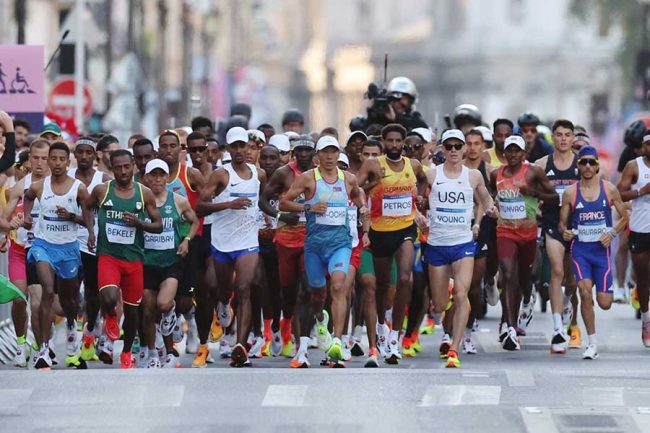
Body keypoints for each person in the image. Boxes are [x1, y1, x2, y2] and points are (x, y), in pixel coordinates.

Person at [280, 136, 369, 367]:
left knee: (339, 286)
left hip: (340, 244)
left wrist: (363, 210)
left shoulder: (348, 179)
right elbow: (284, 203)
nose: (330, 157)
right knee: (315, 295)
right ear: (317, 155)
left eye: (333, 152)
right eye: (325, 153)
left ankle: (337, 343)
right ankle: (314, 331)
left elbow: (358, 196)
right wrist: (308, 207)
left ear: (338, 154)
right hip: (314, 246)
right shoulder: (309, 178)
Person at [356, 123, 428, 364]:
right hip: (379, 230)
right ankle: (380, 325)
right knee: (383, 285)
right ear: (384, 143)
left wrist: (419, 196)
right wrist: (371, 185)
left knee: (406, 278)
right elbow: (354, 189)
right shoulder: (373, 165)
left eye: (399, 141)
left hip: (405, 228)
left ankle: (396, 336)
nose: (395, 145)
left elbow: (423, 180)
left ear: (404, 143)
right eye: (391, 141)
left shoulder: (413, 164)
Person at [426, 130, 498, 368]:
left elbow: (486, 199)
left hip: (463, 244)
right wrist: (418, 213)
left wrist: (490, 209)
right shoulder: (432, 175)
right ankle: (444, 295)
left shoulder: (474, 175)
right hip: (437, 244)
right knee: (438, 304)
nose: (455, 150)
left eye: (459, 146)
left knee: (461, 295)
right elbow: (415, 197)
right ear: (443, 150)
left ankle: (454, 349)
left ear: (464, 149)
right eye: (450, 146)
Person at [86, 149, 163, 368]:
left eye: (126, 167)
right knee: (109, 298)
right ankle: (111, 315)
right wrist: (91, 231)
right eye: (117, 167)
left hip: (134, 259)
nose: (122, 171)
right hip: (108, 256)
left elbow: (158, 225)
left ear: (133, 167)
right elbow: (86, 206)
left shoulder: (144, 193)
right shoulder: (102, 191)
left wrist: (140, 223)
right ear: (112, 168)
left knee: (132, 312)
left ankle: (127, 352)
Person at [198, 127, 267, 367]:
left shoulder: (258, 174)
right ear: (228, 149)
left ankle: (240, 346)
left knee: (245, 287)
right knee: (224, 290)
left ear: (249, 148)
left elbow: (263, 201)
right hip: (222, 242)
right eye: (234, 147)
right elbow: (200, 207)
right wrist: (229, 204)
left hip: (248, 241)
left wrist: (276, 216)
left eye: (243, 146)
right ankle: (224, 304)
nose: (239, 151)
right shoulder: (221, 175)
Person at [23, 142, 92, 369]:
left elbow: (88, 215)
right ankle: (43, 350)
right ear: (49, 160)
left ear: (68, 161)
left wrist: (80, 223)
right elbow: (28, 196)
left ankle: (72, 326)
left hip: (69, 248)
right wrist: (27, 217)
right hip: (43, 245)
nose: (58, 163)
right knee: (47, 292)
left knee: (69, 299)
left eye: (62, 159)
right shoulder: (40, 186)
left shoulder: (79, 188)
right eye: (53, 159)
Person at [559, 145, 628, 359]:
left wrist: (612, 233)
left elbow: (625, 217)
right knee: (584, 291)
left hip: (601, 253)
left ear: (597, 166)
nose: (587, 166)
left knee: (605, 303)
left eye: (591, 162)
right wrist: (566, 232)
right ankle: (592, 342)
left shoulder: (609, 189)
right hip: (580, 251)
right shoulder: (571, 192)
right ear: (578, 166)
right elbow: (561, 224)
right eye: (583, 162)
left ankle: (593, 313)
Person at [489, 135, 557, 350]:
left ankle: (528, 298)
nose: (512, 154)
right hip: (505, 231)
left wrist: (534, 193)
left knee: (525, 280)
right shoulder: (495, 174)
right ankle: (510, 328)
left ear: (524, 153)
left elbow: (554, 196)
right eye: (509, 150)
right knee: (508, 275)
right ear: (504, 152)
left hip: (528, 234)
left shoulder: (533, 171)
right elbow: (492, 194)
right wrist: (492, 206)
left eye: (517, 150)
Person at [259, 135, 316, 358]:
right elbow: (263, 201)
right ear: (293, 153)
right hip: (285, 240)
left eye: (307, 151)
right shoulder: (284, 173)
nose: (303, 155)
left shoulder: (319, 174)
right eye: (299, 151)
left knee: (307, 290)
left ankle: (302, 343)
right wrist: (282, 214)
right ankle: (286, 322)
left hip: (311, 240)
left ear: (314, 154)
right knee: (289, 292)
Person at [141, 159, 199, 368]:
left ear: (167, 177)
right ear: (146, 178)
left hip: (170, 262)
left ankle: (172, 310)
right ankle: (153, 354)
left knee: (163, 304)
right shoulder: (139, 200)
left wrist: (187, 240)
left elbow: (195, 221)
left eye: (161, 175)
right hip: (147, 262)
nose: (157, 179)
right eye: (153, 175)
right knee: (148, 310)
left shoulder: (178, 200)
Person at [0, 139, 50, 368]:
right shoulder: (20, 187)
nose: (40, 163)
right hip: (20, 252)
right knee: (20, 299)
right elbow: (3, 219)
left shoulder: (60, 184)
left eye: (45, 158)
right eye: (35, 158)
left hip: (45, 251)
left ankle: (42, 349)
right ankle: (21, 344)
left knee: (39, 302)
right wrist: (10, 226)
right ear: (29, 160)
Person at [158, 129, 206, 354]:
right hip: (160, 243)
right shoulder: (153, 176)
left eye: (172, 146)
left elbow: (207, 201)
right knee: (163, 294)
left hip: (189, 241)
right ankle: (168, 329)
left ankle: (190, 322)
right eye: (164, 146)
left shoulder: (191, 174)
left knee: (186, 299)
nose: (168, 150)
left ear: (180, 150)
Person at [535, 120, 580, 354]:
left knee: (571, 281)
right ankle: (557, 328)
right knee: (556, 271)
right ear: (553, 137)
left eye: (567, 135)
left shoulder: (583, 165)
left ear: (574, 138)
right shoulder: (542, 164)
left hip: (578, 227)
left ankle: (568, 301)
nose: (563, 139)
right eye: (559, 135)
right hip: (552, 225)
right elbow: (531, 191)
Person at [69, 137, 111, 362]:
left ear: (96, 156)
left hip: (94, 243)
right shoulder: (68, 179)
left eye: (88, 152)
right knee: (72, 290)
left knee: (94, 292)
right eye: (80, 152)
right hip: (69, 241)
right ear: (75, 155)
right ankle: (72, 333)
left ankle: (90, 330)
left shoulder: (103, 179)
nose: (84, 156)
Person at [462, 128, 495, 353]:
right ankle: (451, 330)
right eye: (469, 143)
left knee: (474, 285)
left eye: (477, 143)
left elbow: (488, 199)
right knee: (457, 286)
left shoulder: (489, 171)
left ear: (483, 146)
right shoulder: (454, 168)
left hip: (481, 228)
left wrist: (481, 218)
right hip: (454, 228)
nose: (472, 148)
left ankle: (468, 329)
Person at [617, 133, 650, 347]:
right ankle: (646, 321)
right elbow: (619, 194)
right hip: (640, 227)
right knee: (643, 277)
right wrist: (641, 191)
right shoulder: (633, 166)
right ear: (643, 147)